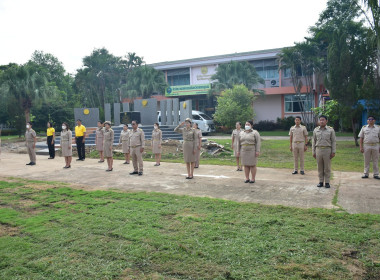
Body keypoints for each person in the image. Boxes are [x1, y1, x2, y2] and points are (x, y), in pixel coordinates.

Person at [312, 115, 336, 188]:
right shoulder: (316, 130)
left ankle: (327, 182)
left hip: (327, 150)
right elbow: (314, 141)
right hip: (318, 149)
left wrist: (333, 151)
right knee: (319, 167)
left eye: (323, 120)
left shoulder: (330, 130)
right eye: (320, 120)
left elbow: (333, 141)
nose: (321, 121)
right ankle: (321, 181)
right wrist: (313, 151)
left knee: (327, 167)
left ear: (326, 121)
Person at [358, 115, 380, 179]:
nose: (370, 120)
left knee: (375, 160)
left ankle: (376, 174)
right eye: (369, 119)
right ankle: (366, 174)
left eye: (372, 119)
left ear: (374, 120)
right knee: (366, 160)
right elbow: (361, 138)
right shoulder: (364, 128)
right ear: (367, 121)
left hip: (375, 145)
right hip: (366, 146)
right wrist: (361, 147)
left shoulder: (378, 128)